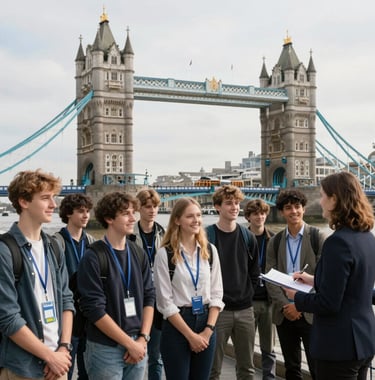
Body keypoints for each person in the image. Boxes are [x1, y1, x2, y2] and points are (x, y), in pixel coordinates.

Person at [284, 172, 375, 380]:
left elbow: (329, 303)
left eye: (323, 195)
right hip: (364, 341)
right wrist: (314, 279)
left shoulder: (338, 242)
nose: (320, 200)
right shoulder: (367, 237)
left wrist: (296, 297)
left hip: (338, 346)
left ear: (335, 199)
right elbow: (355, 285)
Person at [0, 169, 74, 379]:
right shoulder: (5, 251)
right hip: (24, 368)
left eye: (54, 198)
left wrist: (63, 349)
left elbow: (67, 300)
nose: (54, 205)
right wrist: (50, 357)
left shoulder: (55, 246)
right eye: (45, 198)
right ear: (23, 201)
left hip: (58, 364)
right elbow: (8, 318)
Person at [76, 191, 155, 380]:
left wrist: (143, 338)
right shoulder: (93, 257)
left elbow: (149, 296)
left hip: (138, 341)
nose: (132, 218)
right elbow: (94, 309)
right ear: (109, 218)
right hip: (105, 349)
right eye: (126, 213)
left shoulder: (138, 253)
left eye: (133, 212)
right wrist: (130, 344)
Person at [153, 197, 224, 380]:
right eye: (190, 216)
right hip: (178, 324)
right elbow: (165, 303)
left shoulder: (210, 251)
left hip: (206, 321)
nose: (196, 220)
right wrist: (191, 336)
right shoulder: (164, 254)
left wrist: (207, 331)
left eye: (199, 215)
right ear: (177, 220)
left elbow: (217, 294)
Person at [265, 189, 326, 380]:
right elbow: (271, 279)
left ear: (304, 209)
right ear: (282, 212)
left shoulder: (318, 238)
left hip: (310, 313)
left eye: (297, 207)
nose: (294, 211)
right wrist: (286, 305)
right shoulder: (274, 242)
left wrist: (300, 304)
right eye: (288, 208)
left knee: (317, 367)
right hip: (285, 313)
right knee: (292, 368)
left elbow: (324, 278)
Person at [206, 185, 260, 380]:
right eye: (229, 203)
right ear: (217, 207)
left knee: (247, 368)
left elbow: (255, 271)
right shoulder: (206, 237)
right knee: (213, 368)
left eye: (237, 203)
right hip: (218, 311)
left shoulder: (248, 237)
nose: (235, 207)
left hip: (245, 309)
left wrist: (247, 294)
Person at [55, 193, 95, 380]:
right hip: (67, 316)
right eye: (80, 211)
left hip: (89, 316)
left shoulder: (92, 242)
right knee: (65, 371)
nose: (86, 215)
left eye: (87, 211)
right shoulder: (57, 242)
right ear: (68, 214)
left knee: (87, 372)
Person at [131, 189, 165, 380]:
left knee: (156, 356)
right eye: (148, 207)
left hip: (159, 300)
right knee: (136, 349)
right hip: (137, 299)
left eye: (155, 207)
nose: (152, 210)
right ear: (140, 208)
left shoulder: (164, 233)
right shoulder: (131, 235)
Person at [244, 199, 276, 380]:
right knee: (247, 347)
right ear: (248, 217)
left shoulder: (273, 238)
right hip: (248, 302)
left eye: (263, 213)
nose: (260, 216)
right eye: (255, 213)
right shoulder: (241, 237)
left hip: (268, 300)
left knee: (268, 347)